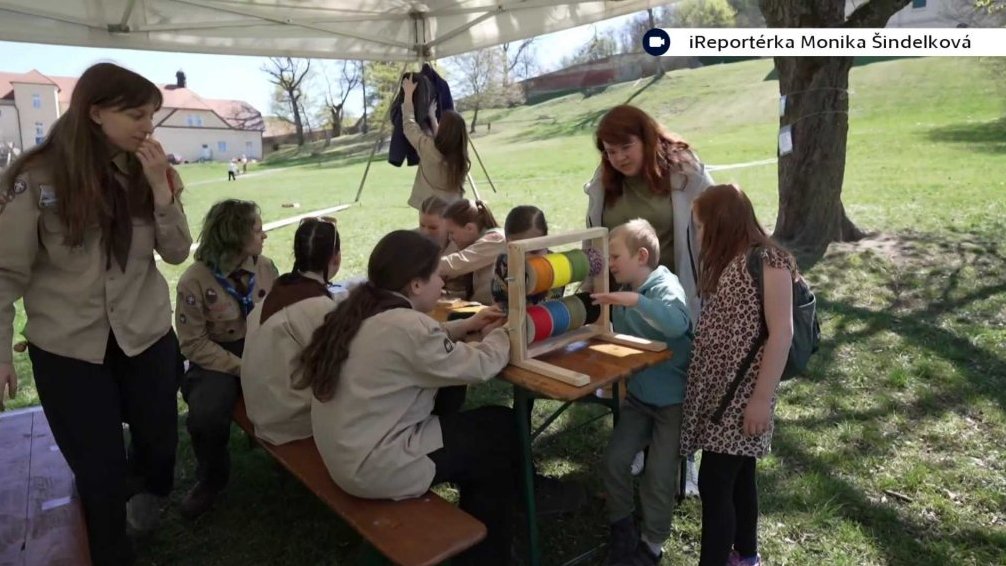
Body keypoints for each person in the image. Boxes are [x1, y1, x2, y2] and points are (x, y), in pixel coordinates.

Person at [0, 62, 191, 565]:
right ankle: (112, 546)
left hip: (145, 336)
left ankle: (141, 499)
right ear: (95, 112)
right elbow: (5, 272)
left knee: (159, 447)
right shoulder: (36, 177)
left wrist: (161, 189)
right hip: (69, 349)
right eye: (136, 114)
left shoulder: (151, 170)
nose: (148, 126)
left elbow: (176, 252)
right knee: (98, 473)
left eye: (152, 114)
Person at [299, 230, 517, 566]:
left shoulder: (359, 309)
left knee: (457, 401)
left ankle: (477, 505)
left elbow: (410, 348)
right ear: (415, 285)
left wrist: (464, 326)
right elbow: (480, 365)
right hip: (372, 466)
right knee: (500, 429)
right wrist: (508, 331)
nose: (442, 285)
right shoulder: (408, 328)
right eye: (437, 277)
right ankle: (486, 553)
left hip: (345, 450)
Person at [586, 104, 713, 494]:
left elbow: (712, 225)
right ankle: (639, 445)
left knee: (682, 376)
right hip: (625, 295)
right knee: (633, 370)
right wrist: (595, 283)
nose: (618, 157)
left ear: (646, 138)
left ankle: (684, 459)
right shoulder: (604, 179)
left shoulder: (684, 171)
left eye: (625, 146)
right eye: (609, 150)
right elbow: (594, 238)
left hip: (677, 292)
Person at [681, 184, 796, 566]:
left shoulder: (769, 260)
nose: (698, 236)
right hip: (723, 396)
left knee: (715, 484)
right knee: (740, 476)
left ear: (721, 223)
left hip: (744, 396)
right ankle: (746, 556)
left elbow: (782, 332)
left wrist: (761, 399)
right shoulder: (737, 260)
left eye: (700, 227)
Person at [591, 219, 692, 566]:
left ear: (642, 256)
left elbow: (677, 325)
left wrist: (635, 301)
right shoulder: (624, 291)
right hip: (639, 399)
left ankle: (652, 544)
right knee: (616, 461)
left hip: (673, 403)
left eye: (616, 256)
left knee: (657, 478)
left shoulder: (665, 286)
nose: (611, 263)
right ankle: (622, 527)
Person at [175, 199, 279, 518]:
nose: (264, 237)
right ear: (234, 237)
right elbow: (193, 343)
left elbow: (277, 317)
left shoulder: (265, 268)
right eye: (257, 230)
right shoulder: (195, 280)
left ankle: (289, 461)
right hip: (216, 356)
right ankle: (212, 479)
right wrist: (242, 368)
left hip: (260, 347)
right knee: (206, 414)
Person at [241, 217, 343, 445]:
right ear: (335, 258)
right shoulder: (318, 307)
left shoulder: (279, 290)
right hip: (288, 422)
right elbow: (344, 363)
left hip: (263, 410)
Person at [401, 77, 469, 210]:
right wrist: (433, 118)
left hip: (430, 210)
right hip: (453, 209)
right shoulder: (461, 159)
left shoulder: (429, 148)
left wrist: (408, 95)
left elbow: (409, 126)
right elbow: (445, 142)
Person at [439, 199, 505, 306]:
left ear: (469, 228)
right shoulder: (476, 243)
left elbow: (457, 263)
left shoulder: (496, 240)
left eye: (452, 232)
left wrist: (426, 266)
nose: (450, 238)